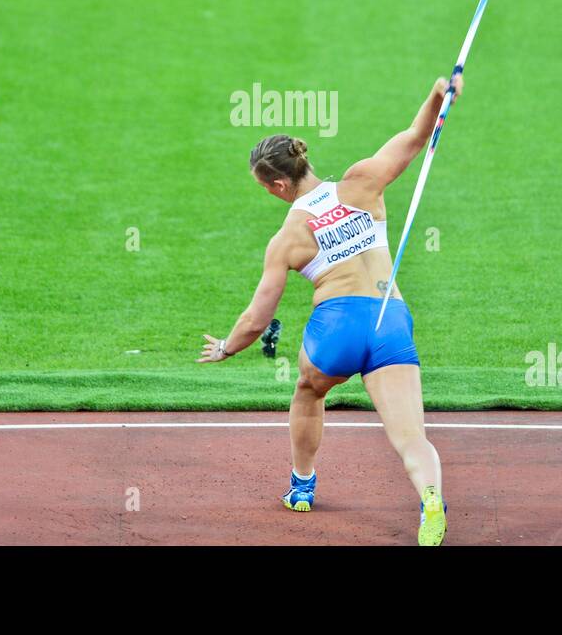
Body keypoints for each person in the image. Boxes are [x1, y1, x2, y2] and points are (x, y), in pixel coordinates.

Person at [197, 74, 462, 546]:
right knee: (410, 437)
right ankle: (430, 497)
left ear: (279, 184)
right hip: (388, 320)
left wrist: (226, 348)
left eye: (265, 187)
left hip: (336, 326)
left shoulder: (287, 239)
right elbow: (416, 136)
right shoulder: (364, 180)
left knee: (308, 391)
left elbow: (258, 318)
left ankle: (302, 485)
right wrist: (437, 94)